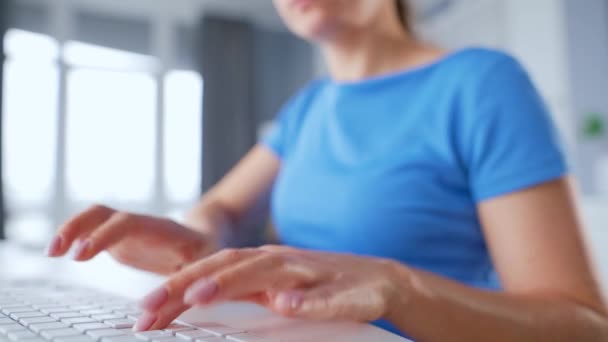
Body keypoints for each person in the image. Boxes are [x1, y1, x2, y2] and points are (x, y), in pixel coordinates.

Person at [46, 0, 608, 340]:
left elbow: (581, 325)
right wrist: (198, 241)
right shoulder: (310, 106)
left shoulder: (483, 83)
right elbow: (222, 209)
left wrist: (399, 288)